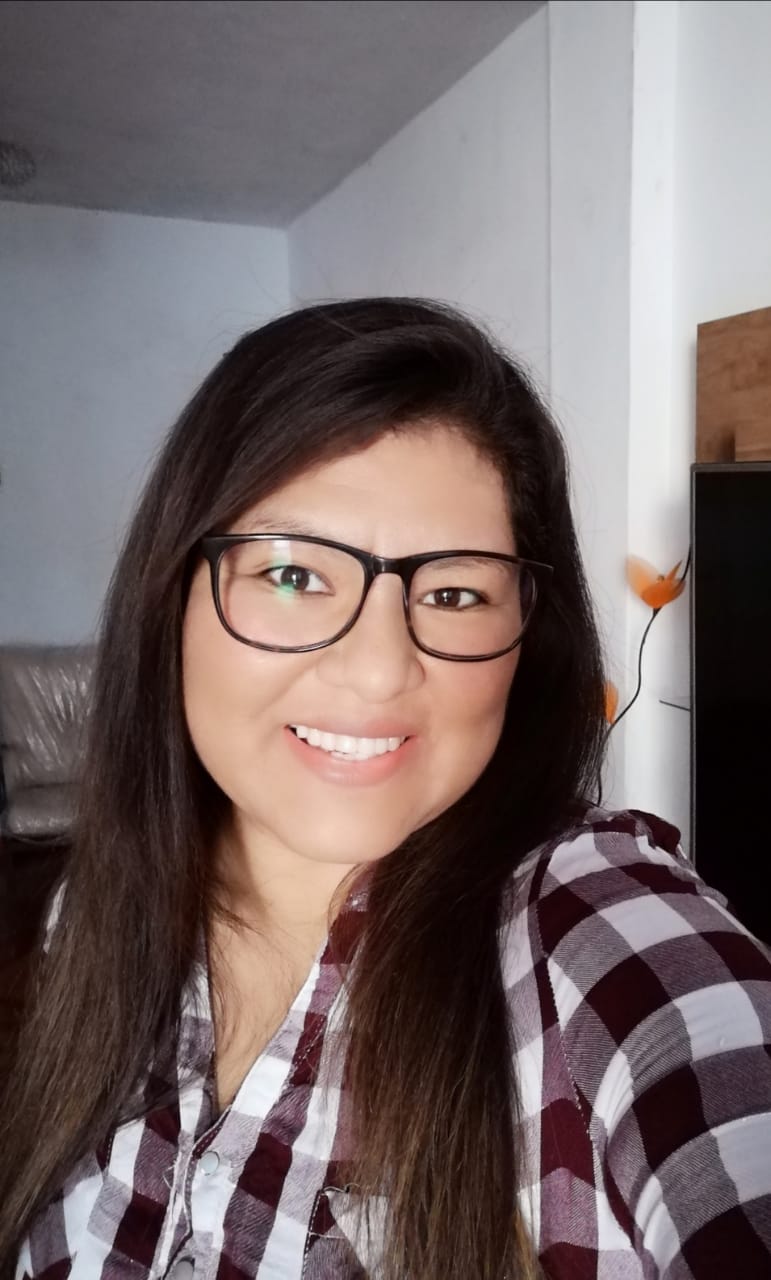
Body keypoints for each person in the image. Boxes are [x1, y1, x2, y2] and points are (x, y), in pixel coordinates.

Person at [1, 298, 769, 1280]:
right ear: (171, 594)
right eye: (292, 575)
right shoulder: (89, 910)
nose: (376, 671)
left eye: (452, 593)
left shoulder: (592, 932)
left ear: (528, 638)